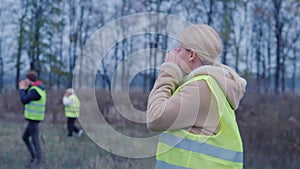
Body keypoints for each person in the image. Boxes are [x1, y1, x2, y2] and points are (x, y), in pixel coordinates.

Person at [147, 24, 247, 169]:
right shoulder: (211, 84)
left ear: (191, 55)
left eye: (179, 49)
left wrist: (168, 72)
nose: (174, 53)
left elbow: (155, 118)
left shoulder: (201, 88)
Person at [19, 71, 46, 165]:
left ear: (29, 80)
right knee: (25, 137)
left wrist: (22, 89)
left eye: (26, 79)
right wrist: (26, 89)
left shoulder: (35, 91)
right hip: (33, 119)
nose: (25, 80)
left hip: (34, 119)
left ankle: (38, 161)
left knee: (35, 139)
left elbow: (24, 100)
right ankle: (34, 157)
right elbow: (28, 97)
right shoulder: (36, 88)